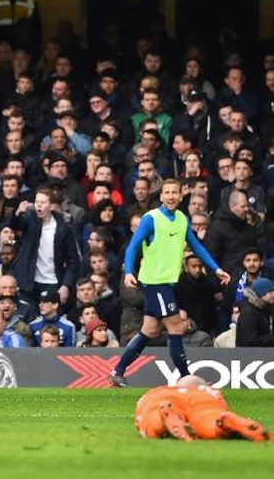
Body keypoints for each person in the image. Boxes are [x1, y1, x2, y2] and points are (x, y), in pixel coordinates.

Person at [109, 179, 231, 387]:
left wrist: (216, 269)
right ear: (161, 196)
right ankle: (189, 380)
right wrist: (129, 271)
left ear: (181, 195)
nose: (171, 196)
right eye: (167, 192)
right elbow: (132, 247)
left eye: (175, 192)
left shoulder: (182, 219)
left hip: (166, 283)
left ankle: (118, 371)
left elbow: (197, 247)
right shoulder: (151, 219)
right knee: (176, 327)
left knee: (150, 330)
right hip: (155, 282)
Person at [134, 375, 269, 441]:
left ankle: (166, 415)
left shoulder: (156, 392)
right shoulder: (207, 391)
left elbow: (141, 416)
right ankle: (223, 423)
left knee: (151, 421)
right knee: (209, 418)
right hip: (203, 397)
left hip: (163, 398)